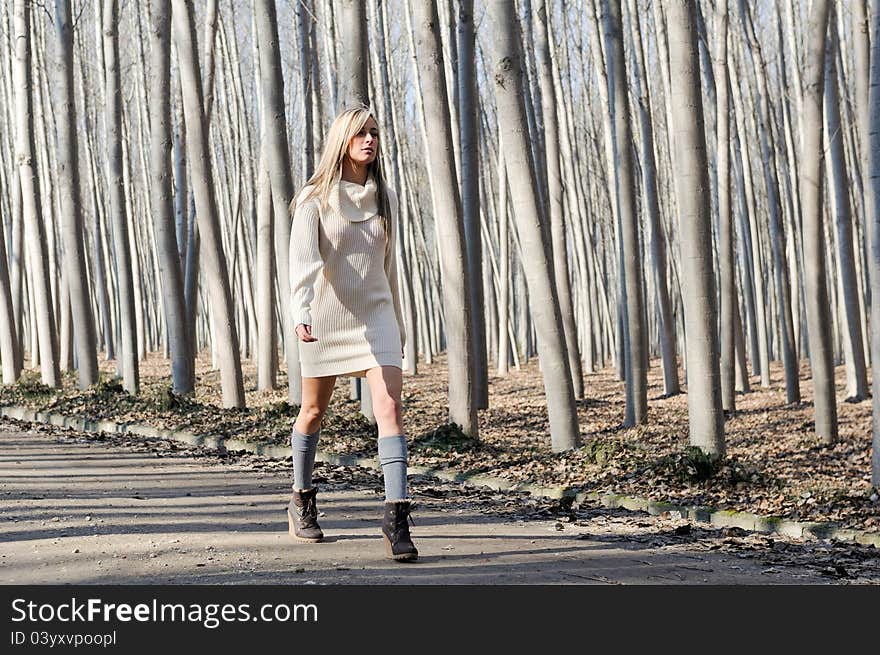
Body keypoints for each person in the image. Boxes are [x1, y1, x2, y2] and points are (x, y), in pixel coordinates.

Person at [287, 106, 417, 562]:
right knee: (313, 411)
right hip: (326, 317)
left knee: (391, 408)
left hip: (377, 316)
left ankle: (396, 516)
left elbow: (388, 266)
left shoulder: (386, 197)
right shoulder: (314, 199)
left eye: (375, 133)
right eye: (360, 133)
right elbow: (303, 264)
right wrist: (301, 314)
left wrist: (397, 321)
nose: (370, 140)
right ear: (342, 139)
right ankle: (301, 497)